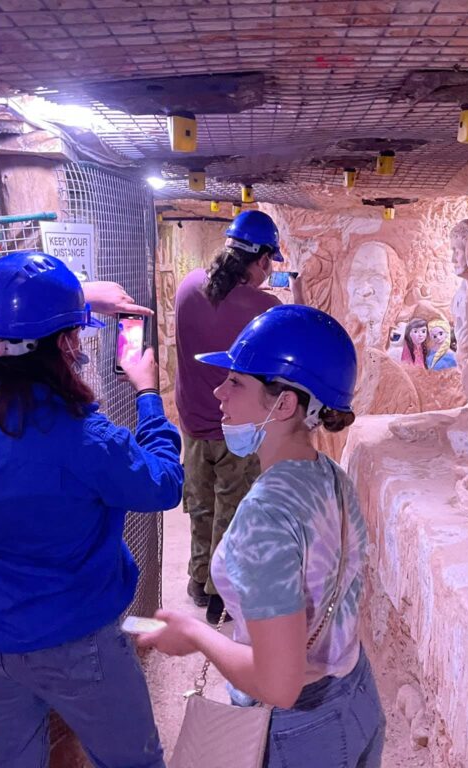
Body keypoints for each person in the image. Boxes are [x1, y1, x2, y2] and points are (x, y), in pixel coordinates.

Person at [0, 251, 184, 768]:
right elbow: (164, 484)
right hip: (77, 643)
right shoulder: (82, 438)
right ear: (64, 344)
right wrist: (147, 391)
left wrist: (74, 296)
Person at [139, 304, 386, 768]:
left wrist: (194, 632)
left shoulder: (265, 517)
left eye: (236, 381)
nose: (218, 392)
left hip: (304, 734)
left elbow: (278, 685)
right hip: (356, 697)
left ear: (285, 403)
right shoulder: (330, 476)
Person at [175, 209, 289, 622]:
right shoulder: (265, 308)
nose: (267, 272)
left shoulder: (187, 286)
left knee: (201, 505)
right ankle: (220, 592)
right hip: (237, 428)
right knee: (234, 507)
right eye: (268, 264)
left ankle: (197, 580)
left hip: (191, 423)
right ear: (260, 260)